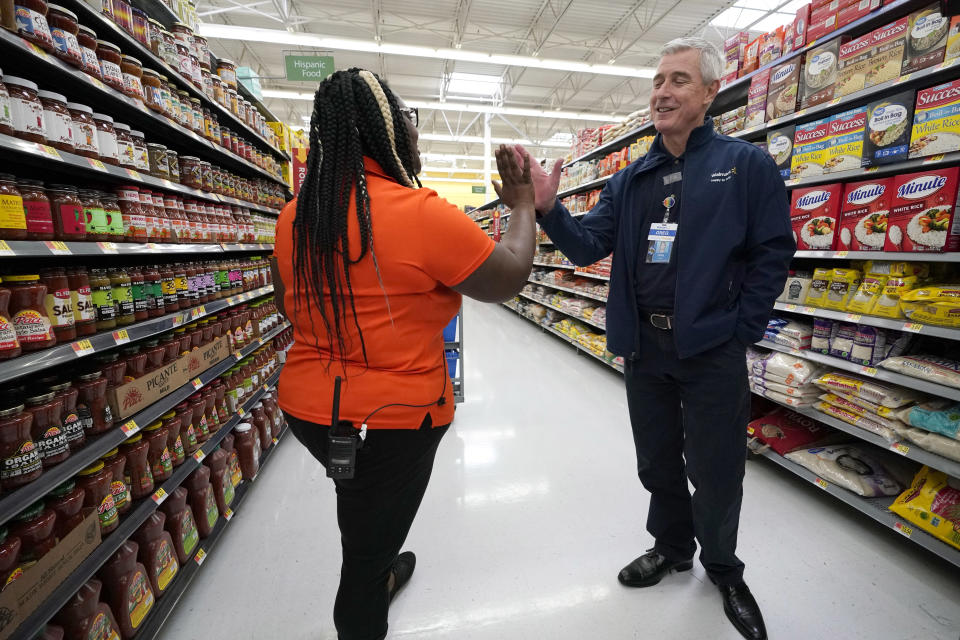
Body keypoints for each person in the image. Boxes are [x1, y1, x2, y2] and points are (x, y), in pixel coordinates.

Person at [515, 38, 795, 640]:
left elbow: (773, 253)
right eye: (658, 81)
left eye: (679, 80)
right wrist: (549, 211)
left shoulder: (745, 166)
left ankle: (724, 568)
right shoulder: (632, 176)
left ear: (711, 92)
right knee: (657, 462)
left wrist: (741, 328)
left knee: (716, 469)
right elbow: (588, 244)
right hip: (645, 348)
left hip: (712, 349)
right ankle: (672, 547)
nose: (663, 92)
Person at [270, 68, 537, 640]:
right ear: (387, 129)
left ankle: (380, 551)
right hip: (397, 417)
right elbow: (508, 275)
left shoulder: (295, 215)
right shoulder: (421, 212)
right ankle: (374, 574)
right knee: (361, 564)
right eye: (407, 121)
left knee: (360, 497)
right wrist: (522, 205)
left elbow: (287, 306)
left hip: (311, 409)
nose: (414, 137)